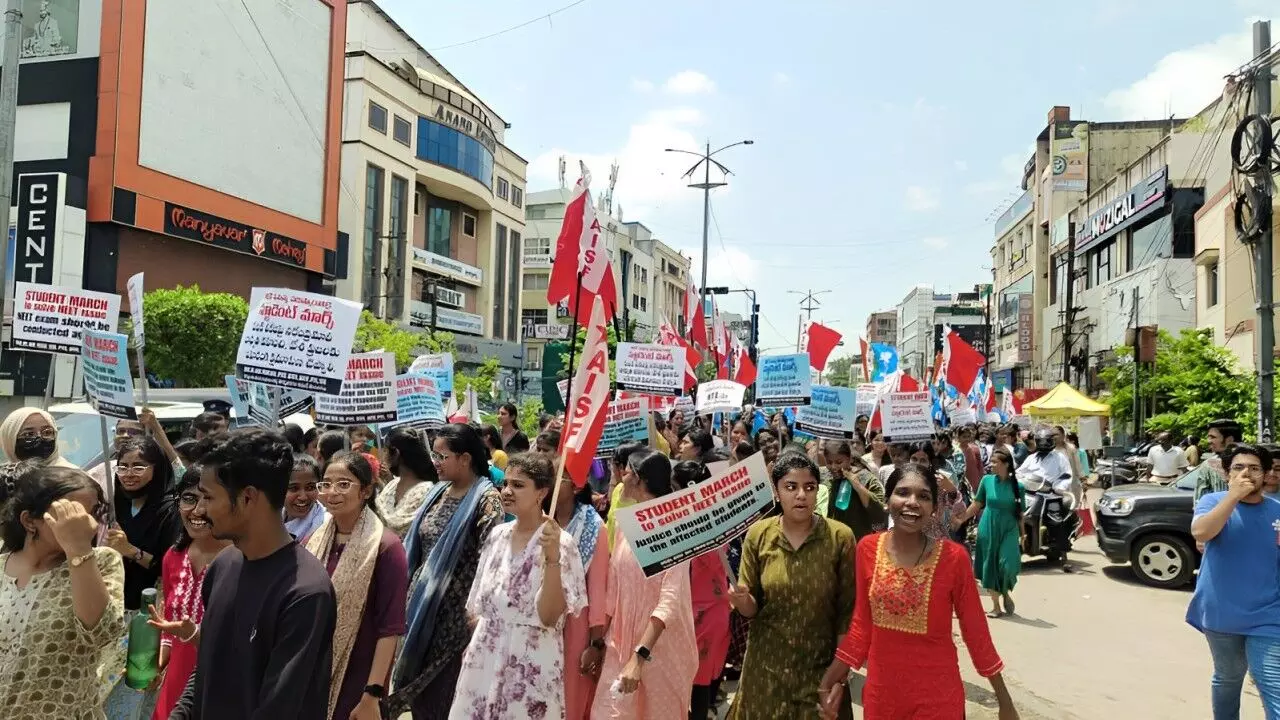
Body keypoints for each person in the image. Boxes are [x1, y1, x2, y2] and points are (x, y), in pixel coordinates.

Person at [818, 463, 1018, 720]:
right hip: (883, 697)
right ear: (888, 501)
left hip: (938, 698)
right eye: (903, 493)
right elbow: (861, 626)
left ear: (934, 508)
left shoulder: (954, 559)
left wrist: (1005, 701)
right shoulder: (867, 549)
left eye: (923, 496)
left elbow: (976, 631)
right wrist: (830, 680)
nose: (912, 502)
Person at [169, 429, 337, 719]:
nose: (201, 509)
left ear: (247, 498)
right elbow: (208, 665)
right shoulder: (224, 566)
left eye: (209, 497)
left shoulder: (306, 593)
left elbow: (279, 708)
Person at [449, 452, 586, 718]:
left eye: (519, 485)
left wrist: (553, 558)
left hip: (530, 665)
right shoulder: (497, 535)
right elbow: (478, 604)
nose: (508, 491)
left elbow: (549, 616)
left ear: (542, 492)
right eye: (506, 483)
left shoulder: (562, 543)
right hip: (485, 660)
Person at [727, 453, 856, 720]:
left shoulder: (839, 537)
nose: (801, 495)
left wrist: (839, 676)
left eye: (809, 487)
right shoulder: (758, 535)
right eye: (791, 487)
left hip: (820, 672)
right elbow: (751, 609)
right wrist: (742, 601)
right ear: (776, 491)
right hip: (765, 673)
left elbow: (847, 613)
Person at [392, 423, 503, 718]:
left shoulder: (488, 502)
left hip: (455, 623)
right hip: (420, 614)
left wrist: (475, 617)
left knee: (445, 698)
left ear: (465, 458)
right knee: (420, 701)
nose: (435, 463)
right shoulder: (437, 493)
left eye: (442, 457)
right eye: (435, 456)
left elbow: (490, 562)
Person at [0, 463, 125, 719]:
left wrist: (78, 550)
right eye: (72, 514)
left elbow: (100, 634)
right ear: (29, 521)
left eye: (92, 512)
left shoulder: (101, 562)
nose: (87, 524)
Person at [592, 449, 699, 718]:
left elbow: (670, 601)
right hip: (621, 645)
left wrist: (639, 657)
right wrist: (596, 645)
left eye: (625, 471)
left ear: (638, 479)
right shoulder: (631, 527)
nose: (619, 476)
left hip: (660, 651)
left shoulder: (673, 531)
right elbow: (613, 594)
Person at [306, 451, 409, 720]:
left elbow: (391, 627)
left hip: (360, 675)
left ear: (365, 491)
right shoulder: (312, 542)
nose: (332, 492)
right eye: (326, 484)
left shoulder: (386, 547)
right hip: (313, 671)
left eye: (344, 483)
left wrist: (372, 693)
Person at [1187, 443, 1280, 718]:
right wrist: (1233, 497)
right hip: (1222, 612)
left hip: (1269, 613)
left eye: (1254, 468)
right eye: (1238, 468)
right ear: (1227, 474)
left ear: (1265, 474)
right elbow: (1201, 533)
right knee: (1229, 677)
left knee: (1272, 683)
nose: (1246, 474)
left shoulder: (1277, 511)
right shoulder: (1212, 502)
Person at [149, 463, 231, 720]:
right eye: (189, 499)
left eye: (208, 499)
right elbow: (169, 630)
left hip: (219, 686)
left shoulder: (240, 561)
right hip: (174, 686)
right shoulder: (173, 556)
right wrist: (156, 665)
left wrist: (195, 635)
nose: (198, 510)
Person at [551, 455, 609, 720]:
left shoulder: (593, 528)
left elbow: (597, 590)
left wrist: (595, 643)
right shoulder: (536, 522)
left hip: (575, 628)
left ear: (577, 485)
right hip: (536, 624)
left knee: (571, 699)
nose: (547, 483)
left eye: (555, 478)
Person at [953, 448, 1025, 618]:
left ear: (1006, 464)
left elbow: (1021, 513)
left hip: (1009, 528)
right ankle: (996, 606)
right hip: (988, 526)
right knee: (989, 565)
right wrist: (961, 520)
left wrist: (1023, 535)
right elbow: (977, 504)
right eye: (991, 462)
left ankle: (1005, 592)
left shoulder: (1018, 486)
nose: (990, 465)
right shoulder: (986, 481)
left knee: (1007, 565)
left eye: (995, 462)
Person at [1015, 428, 1075, 572]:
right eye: (1040, 441)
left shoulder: (1059, 457)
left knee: (1056, 522)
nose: (1043, 443)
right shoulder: (1031, 458)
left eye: (1046, 441)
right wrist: (1017, 480)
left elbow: (1066, 475)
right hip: (1032, 495)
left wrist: (1058, 487)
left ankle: (1064, 556)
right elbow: (1019, 472)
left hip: (1051, 496)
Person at [377, 427, 438, 537]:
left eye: (385, 450)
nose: (383, 455)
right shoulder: (391, 485)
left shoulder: (426, 490)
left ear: (396, 453)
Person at [822, 439, 886, 540]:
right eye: (829, 462)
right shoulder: (822, 477)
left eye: (839, 462)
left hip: (855, 543)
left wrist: (858, 486)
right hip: (829, 543)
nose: (834, 467)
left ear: (850, 459)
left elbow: (880, 515)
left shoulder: (867, 479)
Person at [1196, 419, 1243, 501]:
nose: (1209, 441)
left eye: (1213, 437)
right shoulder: (1208, 465)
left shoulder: (1254, 462)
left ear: (1229, 440)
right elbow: (1200, 502)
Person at [284, 454, 328, 541]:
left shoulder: (324, 524)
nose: (303, 497)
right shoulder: (271, 519)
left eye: (310, 488)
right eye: (294, 488)